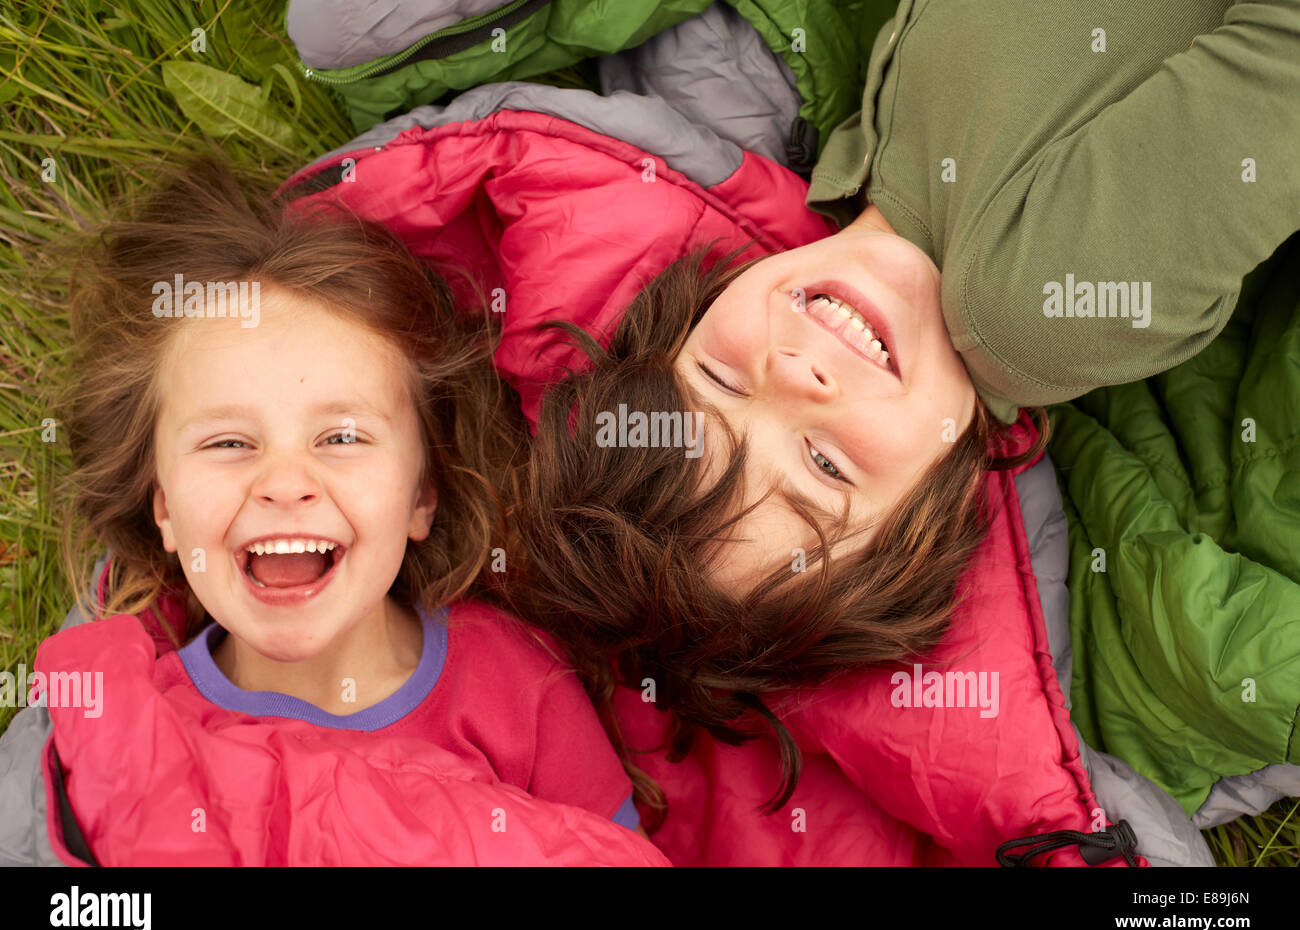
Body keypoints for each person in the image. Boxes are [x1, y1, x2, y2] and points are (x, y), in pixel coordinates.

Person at [496, 0, 1300, 819]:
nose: (798, 374)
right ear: (936, 514)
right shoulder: (1034, 310)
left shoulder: (864, 158)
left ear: (683, 320)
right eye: (824, 464)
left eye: (722, 384)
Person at [0, 156, 649, 864]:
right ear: (164, 510)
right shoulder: (148, 727)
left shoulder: (519, 683)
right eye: (227, 441)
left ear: (421, 498)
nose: (285, 482)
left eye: (341, 437)